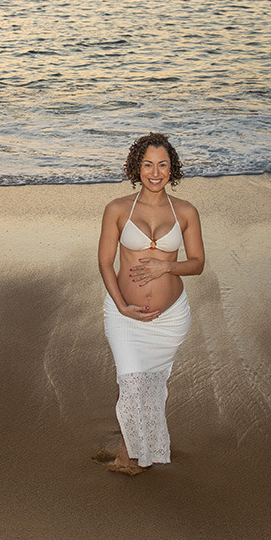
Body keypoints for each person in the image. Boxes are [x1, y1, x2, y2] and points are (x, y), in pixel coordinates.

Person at [97, 132, 205, 475]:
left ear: (172, 168)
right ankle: (130, 454)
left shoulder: (186, 211)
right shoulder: (117, 209)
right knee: (131, 381)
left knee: (151, 386)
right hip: (124, 315)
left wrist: (167, 265)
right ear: (136, 167)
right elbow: (104, 262)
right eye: (148, 164)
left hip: (170, 318)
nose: (155, 172)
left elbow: (198, 263)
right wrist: (120, 306)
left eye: (162, 165)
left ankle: (132, 449)